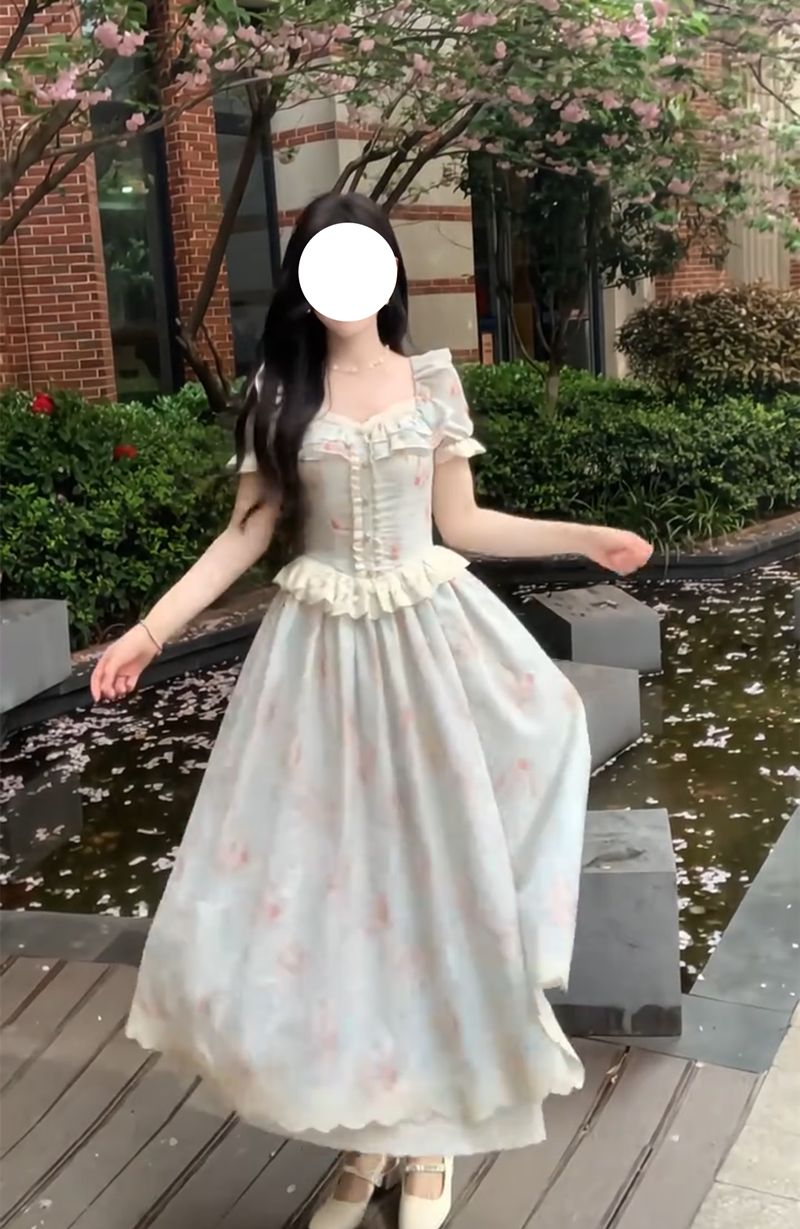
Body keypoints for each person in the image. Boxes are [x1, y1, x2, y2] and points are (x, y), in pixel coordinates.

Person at [91, 191, 652, 1229]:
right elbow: (246, 534)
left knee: (433, 888)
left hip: (429, 653)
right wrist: (148, 631)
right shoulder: (278, 388)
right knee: (339, 897)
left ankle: (424, 1140)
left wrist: (584, 535)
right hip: (315, 669)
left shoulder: (429, 379)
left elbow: (462, 524)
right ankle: (371, 1131)